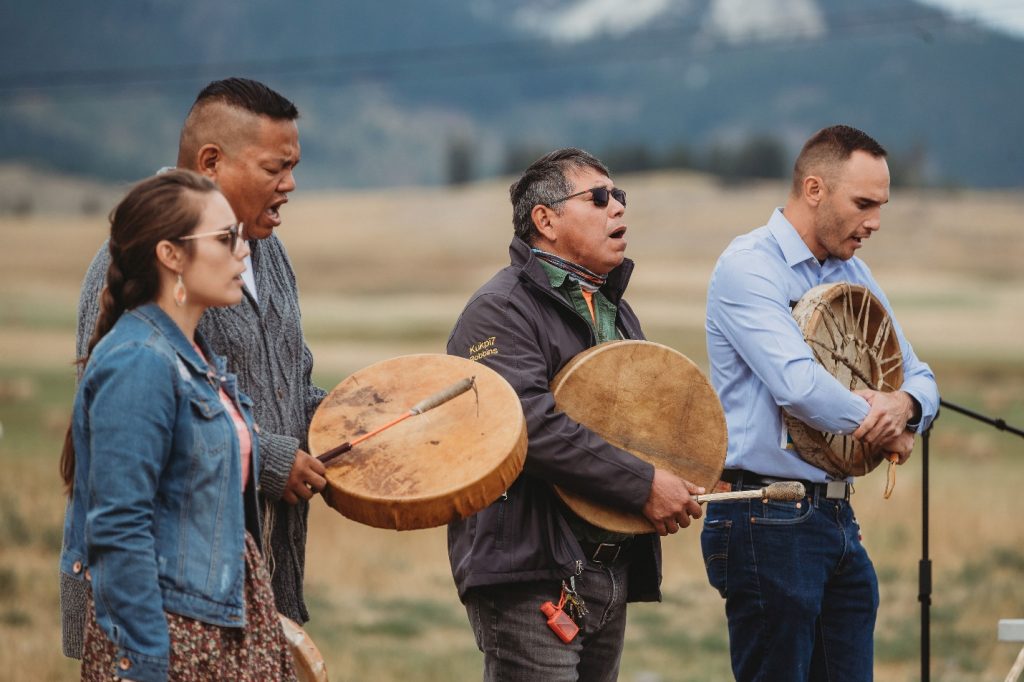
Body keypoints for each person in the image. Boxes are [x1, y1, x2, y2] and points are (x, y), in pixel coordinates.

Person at [64, 77, 326, 658]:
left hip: (248, 587)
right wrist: (272, 459)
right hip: (171, 611)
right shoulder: (132, 290)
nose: (290, 185)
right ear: (211, 162)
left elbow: (287, 384)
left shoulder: (266, 251)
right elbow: (121, 512)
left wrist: (343, 418)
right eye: (274, 168)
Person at [446, 147, 705, 681]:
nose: (618, 209)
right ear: (545, 220)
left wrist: (686, 469)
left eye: (621, 197)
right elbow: (527, 423)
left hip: (604, 569)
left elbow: (639, 422)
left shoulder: (612, 308)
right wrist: (643, 486)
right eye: (599, 197)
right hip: (531, 570)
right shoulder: (500, 309)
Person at [701, 124, 940, 680]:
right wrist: (888, 427)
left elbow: (922, 376)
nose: (875, 221)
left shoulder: (853, 273)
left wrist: (905, 406)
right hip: (765, 513)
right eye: (863, 204)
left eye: (881, 205)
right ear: (814, 190)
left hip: (837, 514)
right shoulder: (750, 266)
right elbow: (798, 387)